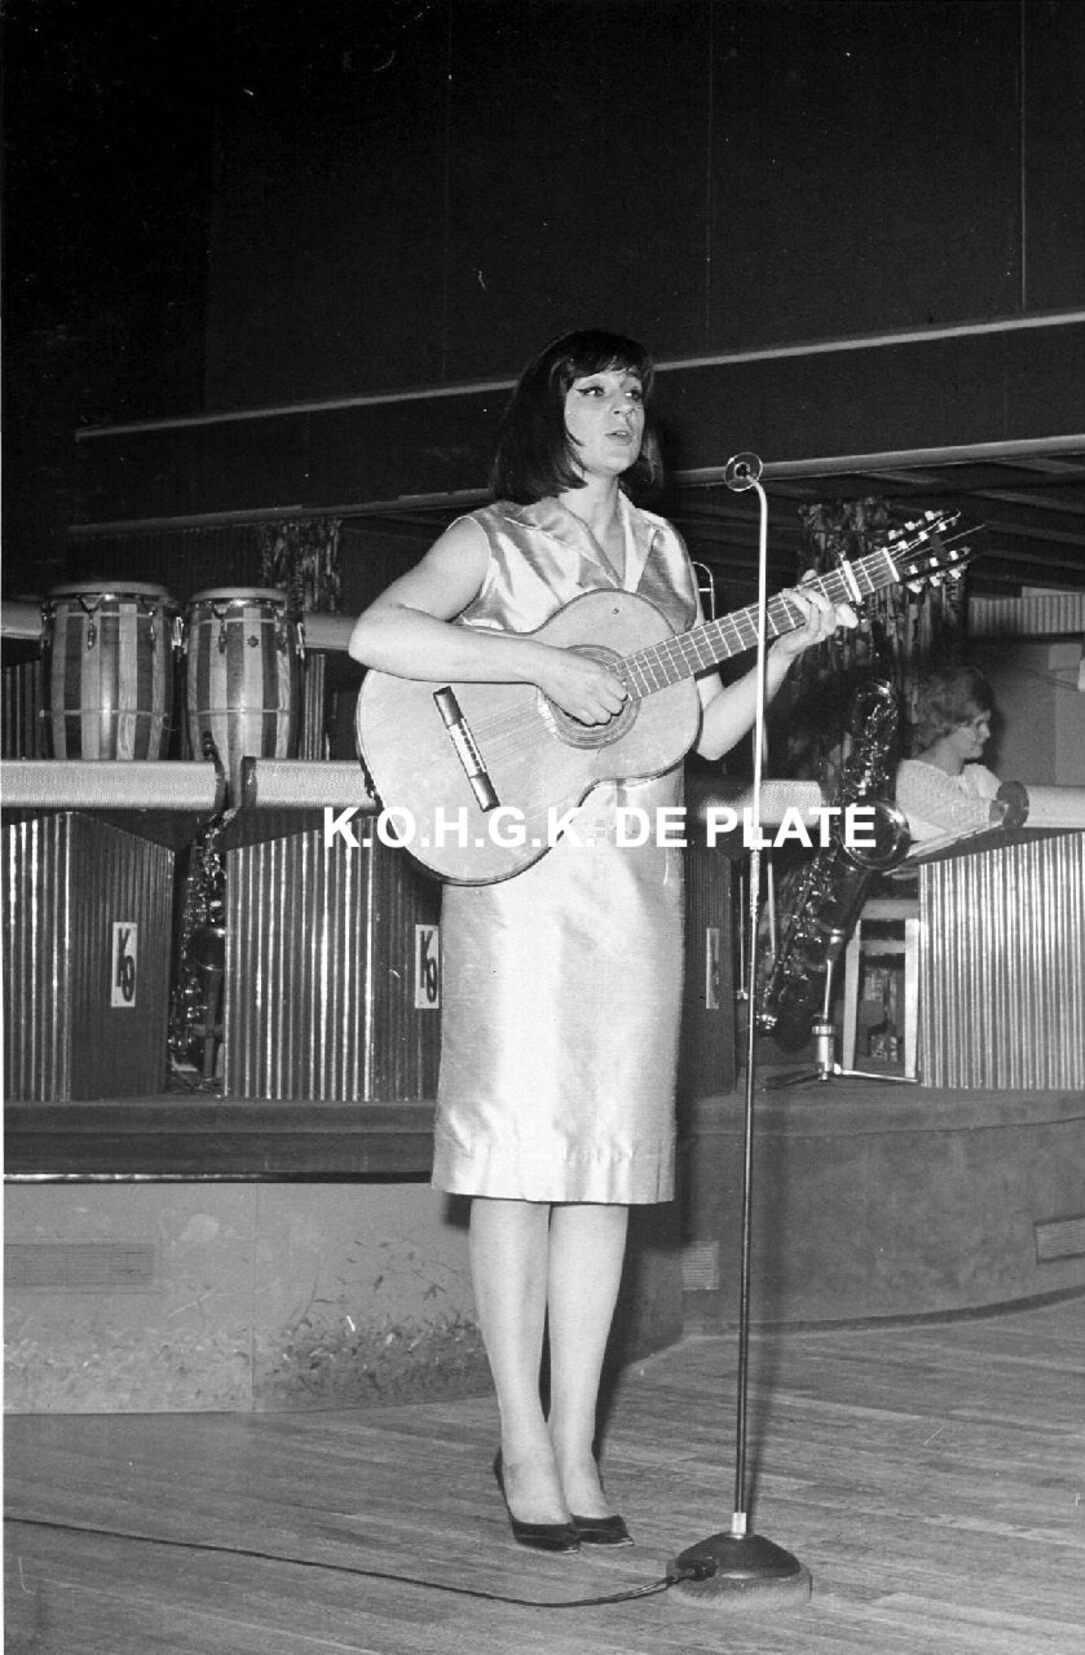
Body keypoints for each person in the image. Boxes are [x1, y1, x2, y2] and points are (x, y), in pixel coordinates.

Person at [349, 329, 854, 1552]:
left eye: (634, 390)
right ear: (551, 409)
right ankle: (521, 1437)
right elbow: (378, 635)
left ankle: (578, 1441)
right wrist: (541, 663)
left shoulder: (667, 554)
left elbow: (700, 731)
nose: (623, 406)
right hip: (521, 878)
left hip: (635, 890)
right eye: (595, 389)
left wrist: (789, 642)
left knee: (608, 1167)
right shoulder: (494, 538)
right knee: (521, 1164)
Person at [895, 665, 1003, 843]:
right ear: (946, 724)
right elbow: (967, 815)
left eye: (987, 723)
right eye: (978, 724)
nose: (987, 733)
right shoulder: (907, 777)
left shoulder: (979, 777)